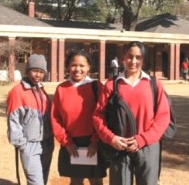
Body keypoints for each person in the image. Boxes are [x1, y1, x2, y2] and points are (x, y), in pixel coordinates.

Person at [93, 41, 170, 185]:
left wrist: (143, 139)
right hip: (119, 147)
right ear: (123, 57)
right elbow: (98, 116)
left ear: (143, 59)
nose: (133, 61)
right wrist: (111, 138)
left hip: (148, 146)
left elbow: (163, 117)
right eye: (130, 56)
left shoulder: (153, 84)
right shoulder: (112, 84)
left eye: (138, 57)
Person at [51, 50, 107, 185]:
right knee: (75, 181)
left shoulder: (97, 87)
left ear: (88, 67)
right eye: (73, 65)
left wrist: (95, 141)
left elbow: (104, 115)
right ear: (68, 66)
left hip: (94, 141)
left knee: (96, 181)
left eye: (82, 65)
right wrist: (67, 142)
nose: (78, 69)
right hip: (71, 142)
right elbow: (55, 117)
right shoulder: (61, 89)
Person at [7, 54, 54, 185]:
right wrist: (23, 146)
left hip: (47, 143)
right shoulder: (17, 92)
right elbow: (13, 122)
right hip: (30, 145)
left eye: (41, 72)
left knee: (43, 180)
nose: (38, 75)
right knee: (36, 182)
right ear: (27, 71)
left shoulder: (41, 89)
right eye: (34, 71)